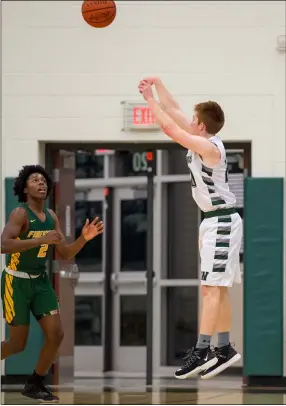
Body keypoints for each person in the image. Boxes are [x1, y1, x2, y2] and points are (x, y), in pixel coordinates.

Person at [138, 78, 242, 380]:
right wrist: (157, 85)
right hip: (212, 220)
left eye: (194, 119)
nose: (190, 120)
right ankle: (223, 348)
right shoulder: (200, 135)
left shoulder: (209, 147)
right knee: (216, 288)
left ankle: (201, 351)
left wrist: (148, 100)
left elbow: (170, 128)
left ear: (200, 126)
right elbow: (174, 109)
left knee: (211, 289)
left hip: (222, 219)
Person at [1, 165, 104, 401]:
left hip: (40, 281)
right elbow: (4, 245)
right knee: (17, 344)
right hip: (15, 282)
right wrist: (40, 241)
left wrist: (83, 238)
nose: (41, 183)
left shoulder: (51, 217)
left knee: (56, 334)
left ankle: (35, 383)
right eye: (35, 180)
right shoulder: (20, 213)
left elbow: (65, 253)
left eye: (44, 180)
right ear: (25, 188)